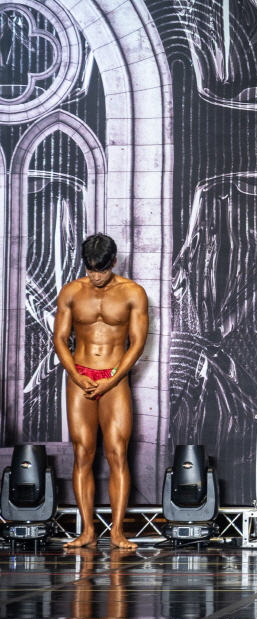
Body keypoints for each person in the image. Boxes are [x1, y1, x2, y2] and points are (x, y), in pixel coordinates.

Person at [51, 233, 148, 550]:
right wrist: (75, 375)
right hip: (79, 376)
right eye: (91, 269)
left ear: (114, 262)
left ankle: (117, 532)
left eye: (102, 270)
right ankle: (87, 531)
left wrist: (113, 378)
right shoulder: (72, 291)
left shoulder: (132, 293)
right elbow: (59, 338)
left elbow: (137, 343)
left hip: (114, 379)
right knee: (83, 454)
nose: (96, 276)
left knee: (117, 453)